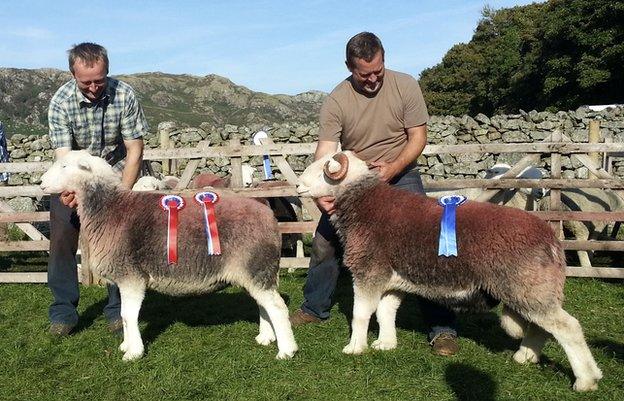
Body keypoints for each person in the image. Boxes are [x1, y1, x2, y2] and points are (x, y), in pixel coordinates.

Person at [290, 32, 460, 356]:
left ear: (384, 59)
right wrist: (320, 195)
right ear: (348, 67)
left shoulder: (406, 85)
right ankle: (314, 308)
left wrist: (394, 167)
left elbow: (418, 138)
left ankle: (442, 328)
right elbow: (326, 152)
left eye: (377, 71)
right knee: (326, 238)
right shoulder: (337, 100)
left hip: (401, 172)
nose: (372, 79)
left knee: (427, 241)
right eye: (363, 74)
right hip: (355, 180)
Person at [47, 42, 148, 336]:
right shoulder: (61, 102)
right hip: (75, 178)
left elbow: (134, 151)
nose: (93, 87)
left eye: (99, 80)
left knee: (120, 241)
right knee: (63, 236)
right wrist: (70, 192)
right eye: (86, 82)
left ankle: (118, 311)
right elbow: (64, 158)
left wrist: (122, 198)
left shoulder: (125, 94)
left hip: (115, 178)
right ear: (73, 75)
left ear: (107, 72)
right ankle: (64, 312)